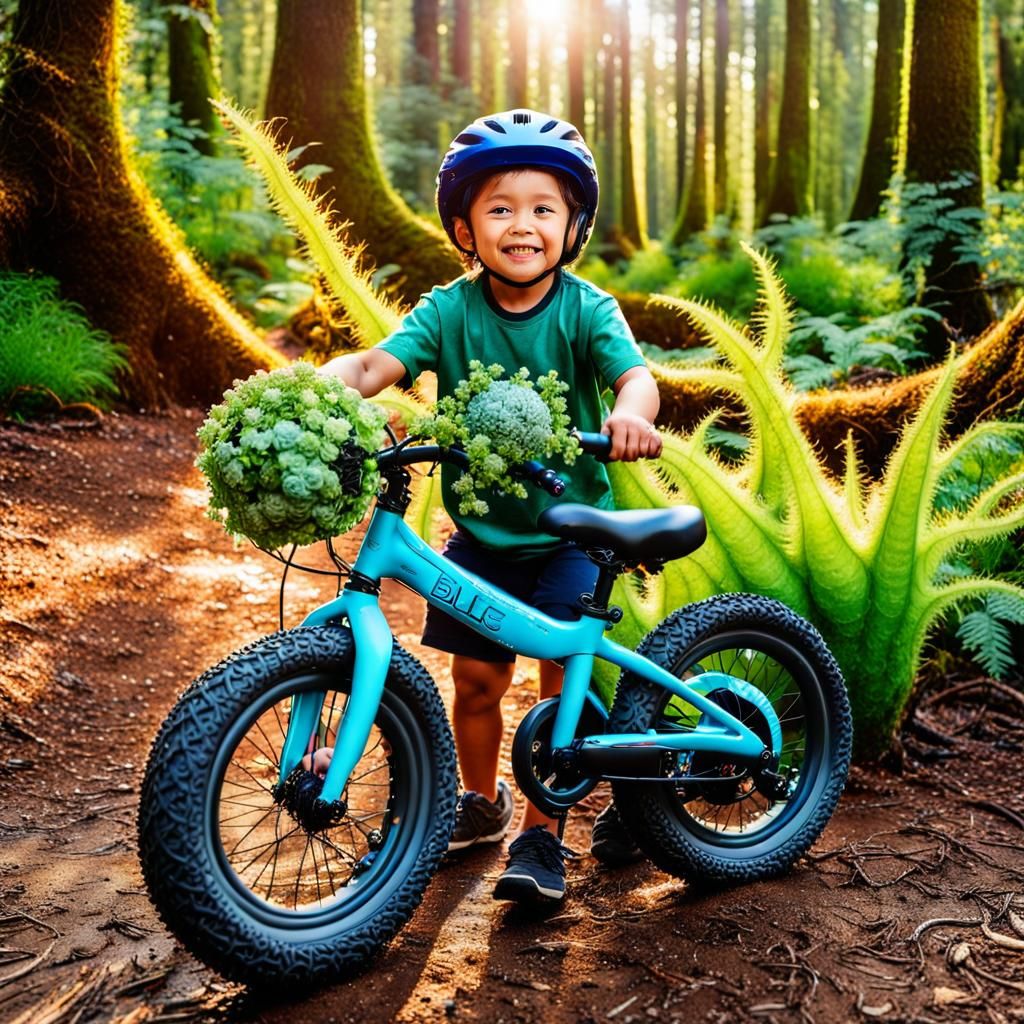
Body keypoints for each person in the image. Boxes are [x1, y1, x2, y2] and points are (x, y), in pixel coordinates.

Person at [317, 108, 660, 902]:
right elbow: (377, 365)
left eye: (544, 209)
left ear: (572, 225)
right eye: (500, 209)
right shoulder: (450, 310)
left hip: (570, 532)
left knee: (557, 678)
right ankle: (481, 803)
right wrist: (313, 388)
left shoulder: (586, 309)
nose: (523, 226)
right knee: (474, 679)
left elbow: (634, 377)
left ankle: (544, 839)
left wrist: (632, 414)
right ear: (465, 227)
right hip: (481, 534)